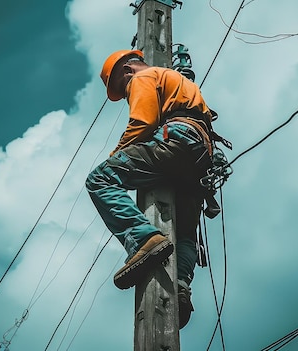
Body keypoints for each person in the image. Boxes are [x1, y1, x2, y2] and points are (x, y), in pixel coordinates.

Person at [85, 49, 216, 329]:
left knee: (99, 179)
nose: (126, 92)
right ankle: (180, 285)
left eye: (123, 87)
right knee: (185, 234)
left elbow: (142, 123)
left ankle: (144, 240)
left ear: (126, 71)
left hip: (177, 141)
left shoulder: (143, 77)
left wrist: (116, 155)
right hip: (199, 157)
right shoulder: (178, 82)